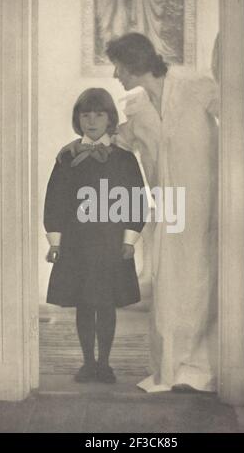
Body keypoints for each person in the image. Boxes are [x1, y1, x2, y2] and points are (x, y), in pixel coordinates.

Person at [57, 33, 219, 393]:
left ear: (133, 62)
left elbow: (240, 117)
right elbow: (110, 141)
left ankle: (201, 368)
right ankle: (171, 369)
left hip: (209, 199)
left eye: (118, 65)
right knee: (171, 282)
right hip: (171, 203)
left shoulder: (194, 85)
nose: (115, 74)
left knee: (203, 280)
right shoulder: (137, 107)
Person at [44, 87, 146, 384]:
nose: (91, 121)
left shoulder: (124, 159)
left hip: (111, 243)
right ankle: (88, 363)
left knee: (106, 303)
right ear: (78, 119)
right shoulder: (66, 158)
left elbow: (136, 200)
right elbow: (55, 202)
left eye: (98, 114)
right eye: (85, 115)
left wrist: (129, 240)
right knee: (85, 304)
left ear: (110, 118)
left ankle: (105, 363)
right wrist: (55, 243)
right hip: (77, 245)